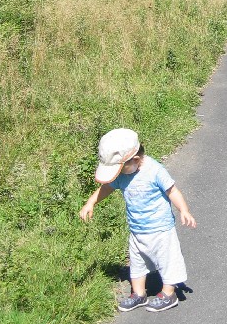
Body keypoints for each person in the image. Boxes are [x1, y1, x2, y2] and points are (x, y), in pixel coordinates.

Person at [79, 127, 196, 313]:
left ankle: (168, 293)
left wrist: (184, 210)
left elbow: (172, 190)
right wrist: (91, 202)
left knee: (168, 260)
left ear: (134, 160)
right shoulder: (123, 174)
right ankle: (139, 294)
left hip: (161, 229)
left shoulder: (155, 171)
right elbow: (106, 188)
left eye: (119, 168)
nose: (117, 174)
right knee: (137, 263)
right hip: (137, 230)